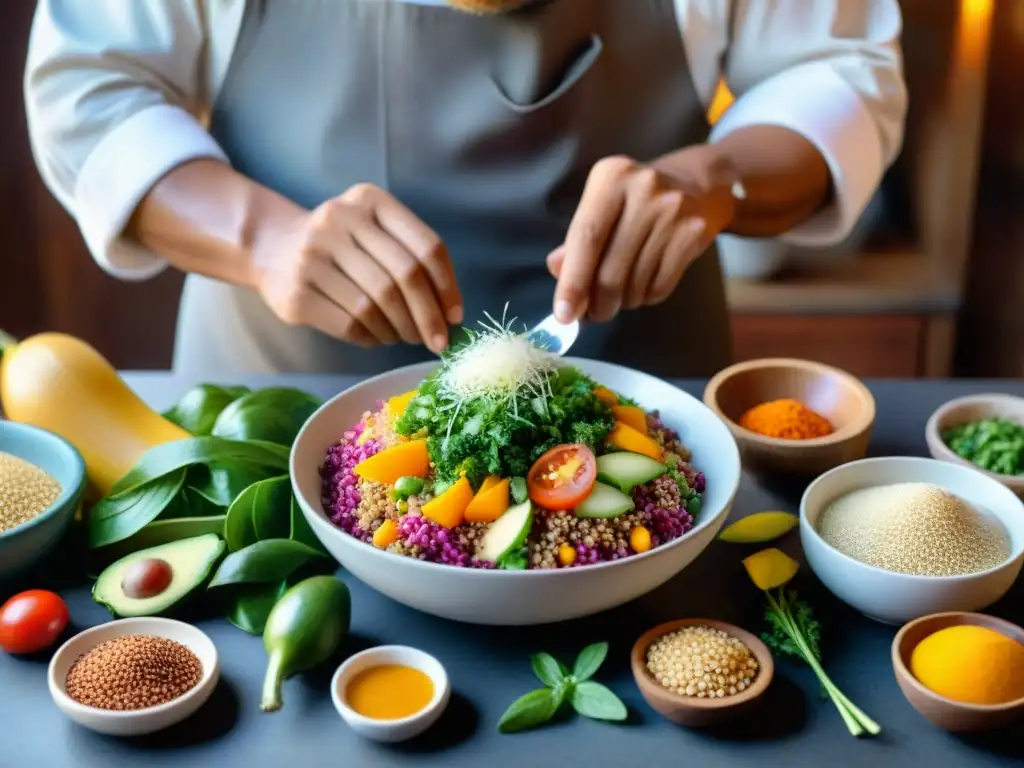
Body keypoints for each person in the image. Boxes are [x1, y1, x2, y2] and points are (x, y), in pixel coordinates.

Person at [24, 0, 907, 378]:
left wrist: (718, 178)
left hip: (647, 405)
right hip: (279, 403)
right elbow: (87, 90)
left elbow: (838, 66)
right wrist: (265, 239)